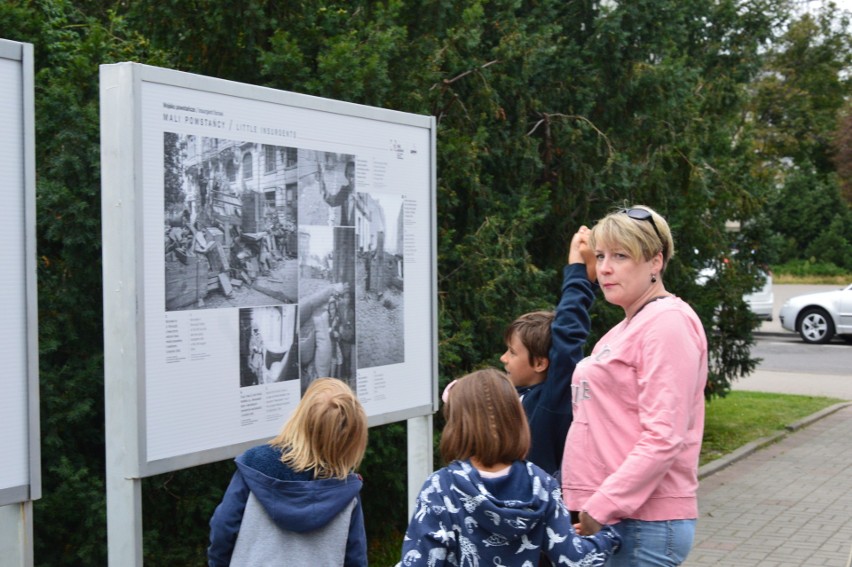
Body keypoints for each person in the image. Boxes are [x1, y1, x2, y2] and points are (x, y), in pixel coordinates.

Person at [561, 206, 708, 567]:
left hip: (643, 525)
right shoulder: (628, 326)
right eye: (600, 256)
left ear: (655, 262)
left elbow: (664, 435)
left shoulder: (667, 324)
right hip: (617, 519)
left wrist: (602, 505)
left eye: (620, 256)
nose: (605, 268)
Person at [399, 368, 621, 567]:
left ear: (457, 425)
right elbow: (575, 559)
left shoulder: (441, 487)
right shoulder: (542, 483)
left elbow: (421, 559)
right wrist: (611, 535)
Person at [207, 378, 369, 567]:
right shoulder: (346, 491)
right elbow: (355, 558)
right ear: (352, 440)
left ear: (299, 417)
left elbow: (223, 528)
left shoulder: (255, 467)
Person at [500, 226, 597, 478]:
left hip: (543, 515)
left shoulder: (552, 399)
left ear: (541, 363)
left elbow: (567, 335)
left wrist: (577, 270)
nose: (503, 358)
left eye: (512, 352)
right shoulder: (517, 395)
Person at [319, 160, 356, 226]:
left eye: (354, 176)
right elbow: (331, 201)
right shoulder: (345, 191)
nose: (351, 179)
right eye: (349, 175)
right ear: (346, 175)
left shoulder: (364, 195)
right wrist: (321, 177)